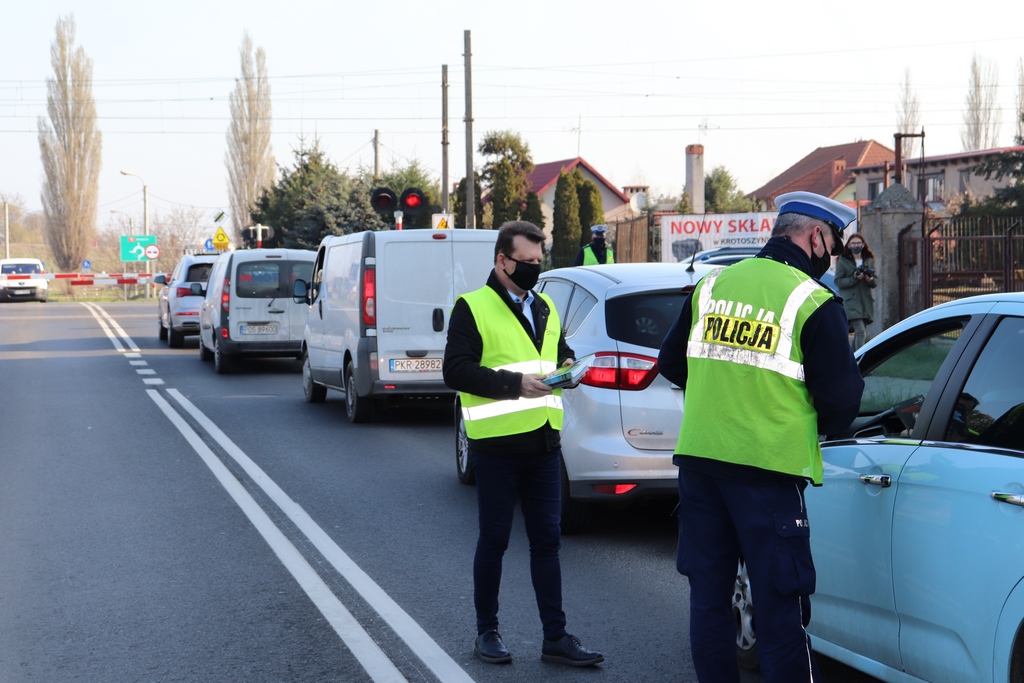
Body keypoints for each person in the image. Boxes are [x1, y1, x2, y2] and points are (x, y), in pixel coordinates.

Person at [657, 191, 864, 683]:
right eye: (832, 248)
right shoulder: (812, 300)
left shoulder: (713, 285)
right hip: (768, 476)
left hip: (701, 467)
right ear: (815, 235)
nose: (831, 259)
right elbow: (840, 409)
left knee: (709, 603)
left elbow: (670, 364)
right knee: (779, 611)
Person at [442, 220, 604, 668]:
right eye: (527, 262)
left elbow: (556, 352)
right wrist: (516, 384)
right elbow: (455, 371)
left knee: (547, 543)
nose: (535, 269)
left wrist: (568, 366)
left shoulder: (545, 306)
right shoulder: (471, 307)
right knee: (494, 541)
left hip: (545, 444)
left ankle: (555, 637)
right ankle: (486, 632)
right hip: (496, 447)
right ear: (502, 261)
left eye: (539, 262)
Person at [834, 233, 877, 350]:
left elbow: (875, 282)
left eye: (858, 243)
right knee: (860, 331)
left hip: (865, 302)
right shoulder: (843, 260)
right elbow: (838, 281)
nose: (856, 245)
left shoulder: (868, 260)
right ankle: (860, 359)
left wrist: (870, 280)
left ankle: (853, 359)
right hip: (851, 302)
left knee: (861, 332)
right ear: (848, 245)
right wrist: (854, 279)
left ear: (863, 245)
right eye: (853, 243)